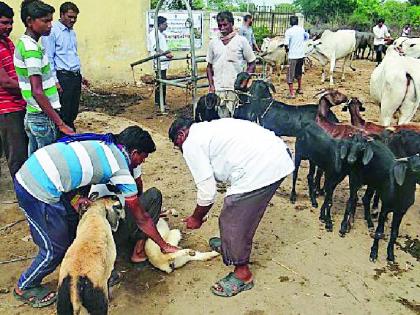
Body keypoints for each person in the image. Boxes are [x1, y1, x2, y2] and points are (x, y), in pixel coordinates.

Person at [13, 126, 178, 308]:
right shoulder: (120, 169)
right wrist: (164, 245)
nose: (141, 163)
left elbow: (70, 171)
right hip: (35, 187)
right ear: (134, 152)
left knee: (70, 229)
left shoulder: (104, 144)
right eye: (143, 158)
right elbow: (142, 219)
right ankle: (25, 285)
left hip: (39, 170)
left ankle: (87, 276)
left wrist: (75, 198)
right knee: (54, 249)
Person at [168, 117, 295, 297]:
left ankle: (242, 274)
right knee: (239, 211)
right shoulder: (207, 129)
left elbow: (207, 192)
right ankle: (230, 246)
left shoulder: (191, 142)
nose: (180, 150)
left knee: (233, 217)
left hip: (263, 166)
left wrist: (196, 218)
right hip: (276, 155)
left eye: (177, 145)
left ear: (181, 135)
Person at [14, 0, 74, 156]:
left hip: (33, 113)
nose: (50, 25)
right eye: (45, 21)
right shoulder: (31, 49)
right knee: (48, 164)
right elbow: (37, 91)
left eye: (51, 20)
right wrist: (60, 124)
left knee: (34, 161)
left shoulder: (24, 44)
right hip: (42, 117)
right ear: (29, 21)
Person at [42, 2, 88, 131]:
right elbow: (48, 58)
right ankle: (63, 136)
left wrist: (80, 75)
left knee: (73, 109)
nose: (73, 20)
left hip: (74, 76)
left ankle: (69, 131)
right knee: (64, 111)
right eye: (70, 16)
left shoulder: (71, 32)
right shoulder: (52, 31)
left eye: (75, 17)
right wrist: (55, 81)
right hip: (63, 77)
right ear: (61, 15)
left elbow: (73, 54)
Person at [206, 11, 256, 118]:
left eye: (225, 25)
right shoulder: (213, 43)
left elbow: (252, 63)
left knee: (236, 120)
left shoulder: (241, 41)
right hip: (219, 89)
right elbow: (209, 67)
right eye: (220, 25)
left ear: (232, 24)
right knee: (220, 119)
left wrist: (244, 80)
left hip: (236, 90)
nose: (222, 28)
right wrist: (211, 85)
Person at [0, 2, 28, 177]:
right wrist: (33, 91)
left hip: (19, 104)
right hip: (7, 109)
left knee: (24, 153)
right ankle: (23, 197)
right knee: (17, 156)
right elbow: (6, 82)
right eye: (4, 23)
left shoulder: (8, 42)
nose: (9, 27)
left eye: (10, 23)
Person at [147, 16, 173, 111]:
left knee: (160, 82)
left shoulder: (160, 34)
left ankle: (159, 102)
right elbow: (156, 48)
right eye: (165, 24)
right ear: (160, 24)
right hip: (159, 62)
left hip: (163, 62)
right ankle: (161, 103)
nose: (166, 26)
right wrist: (166, 54)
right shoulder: (154, 33)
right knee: (162, 83)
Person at [284, 15, 309, 98]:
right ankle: (300, 88)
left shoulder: (289, 31)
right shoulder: (302, 30)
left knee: (290, 74)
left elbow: (286, 44)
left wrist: (287, 51)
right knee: (298, 72)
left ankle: (292, 93)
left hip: (293, 55)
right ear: (297, 22)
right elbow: (306, 38)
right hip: (301, 55)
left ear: (290, 22)